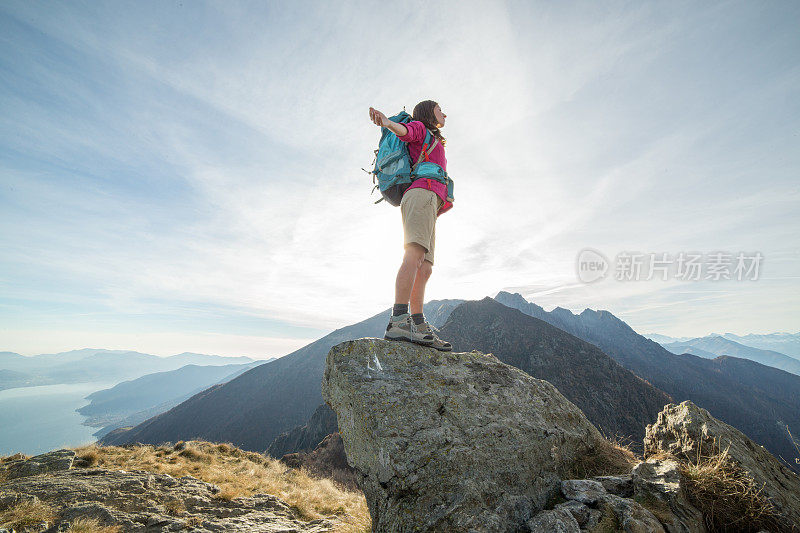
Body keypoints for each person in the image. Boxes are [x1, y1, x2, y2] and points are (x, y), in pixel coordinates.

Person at [368, 100, 453, 351]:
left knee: (425, 267)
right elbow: (407, 132)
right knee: (413, 257)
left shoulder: (433, 138)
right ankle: (398, 320)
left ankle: (417, 324)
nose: (444, 113)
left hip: (430, 202)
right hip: (421, 195)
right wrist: (387, 123)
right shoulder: (421, 129)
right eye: (440, 109)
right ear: (429, 112)